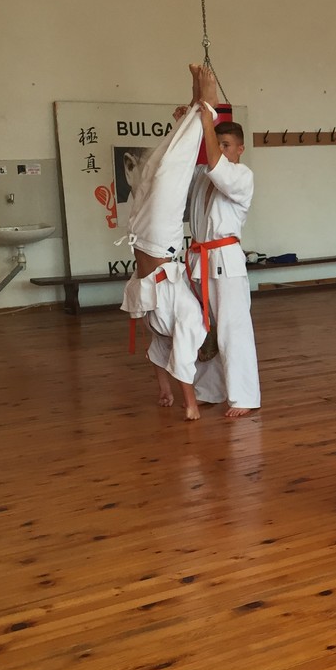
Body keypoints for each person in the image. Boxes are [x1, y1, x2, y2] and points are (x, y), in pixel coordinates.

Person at [120, 64, 216, 420]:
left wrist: (164, 391)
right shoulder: (194, 324)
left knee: (151, 171)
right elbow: (182, 363)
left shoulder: (164, 331)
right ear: (202, 348)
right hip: (162, 242)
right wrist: (190, 405)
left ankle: (195, 104)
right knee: (170, 174)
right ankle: (206, 102)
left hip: (141, 236)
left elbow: (159, 358)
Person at [187, 115, 261, 418]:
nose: (220, 149)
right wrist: (188, 125)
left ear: (240, 149)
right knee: (204, 328)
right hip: (199, 258)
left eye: (226, 145)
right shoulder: (202, 174)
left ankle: (244, 396)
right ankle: (209, 390)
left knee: (233, 329)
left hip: (224, 260)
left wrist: (207, 121)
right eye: (216, 144)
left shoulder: (242, 176)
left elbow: (220, 170)